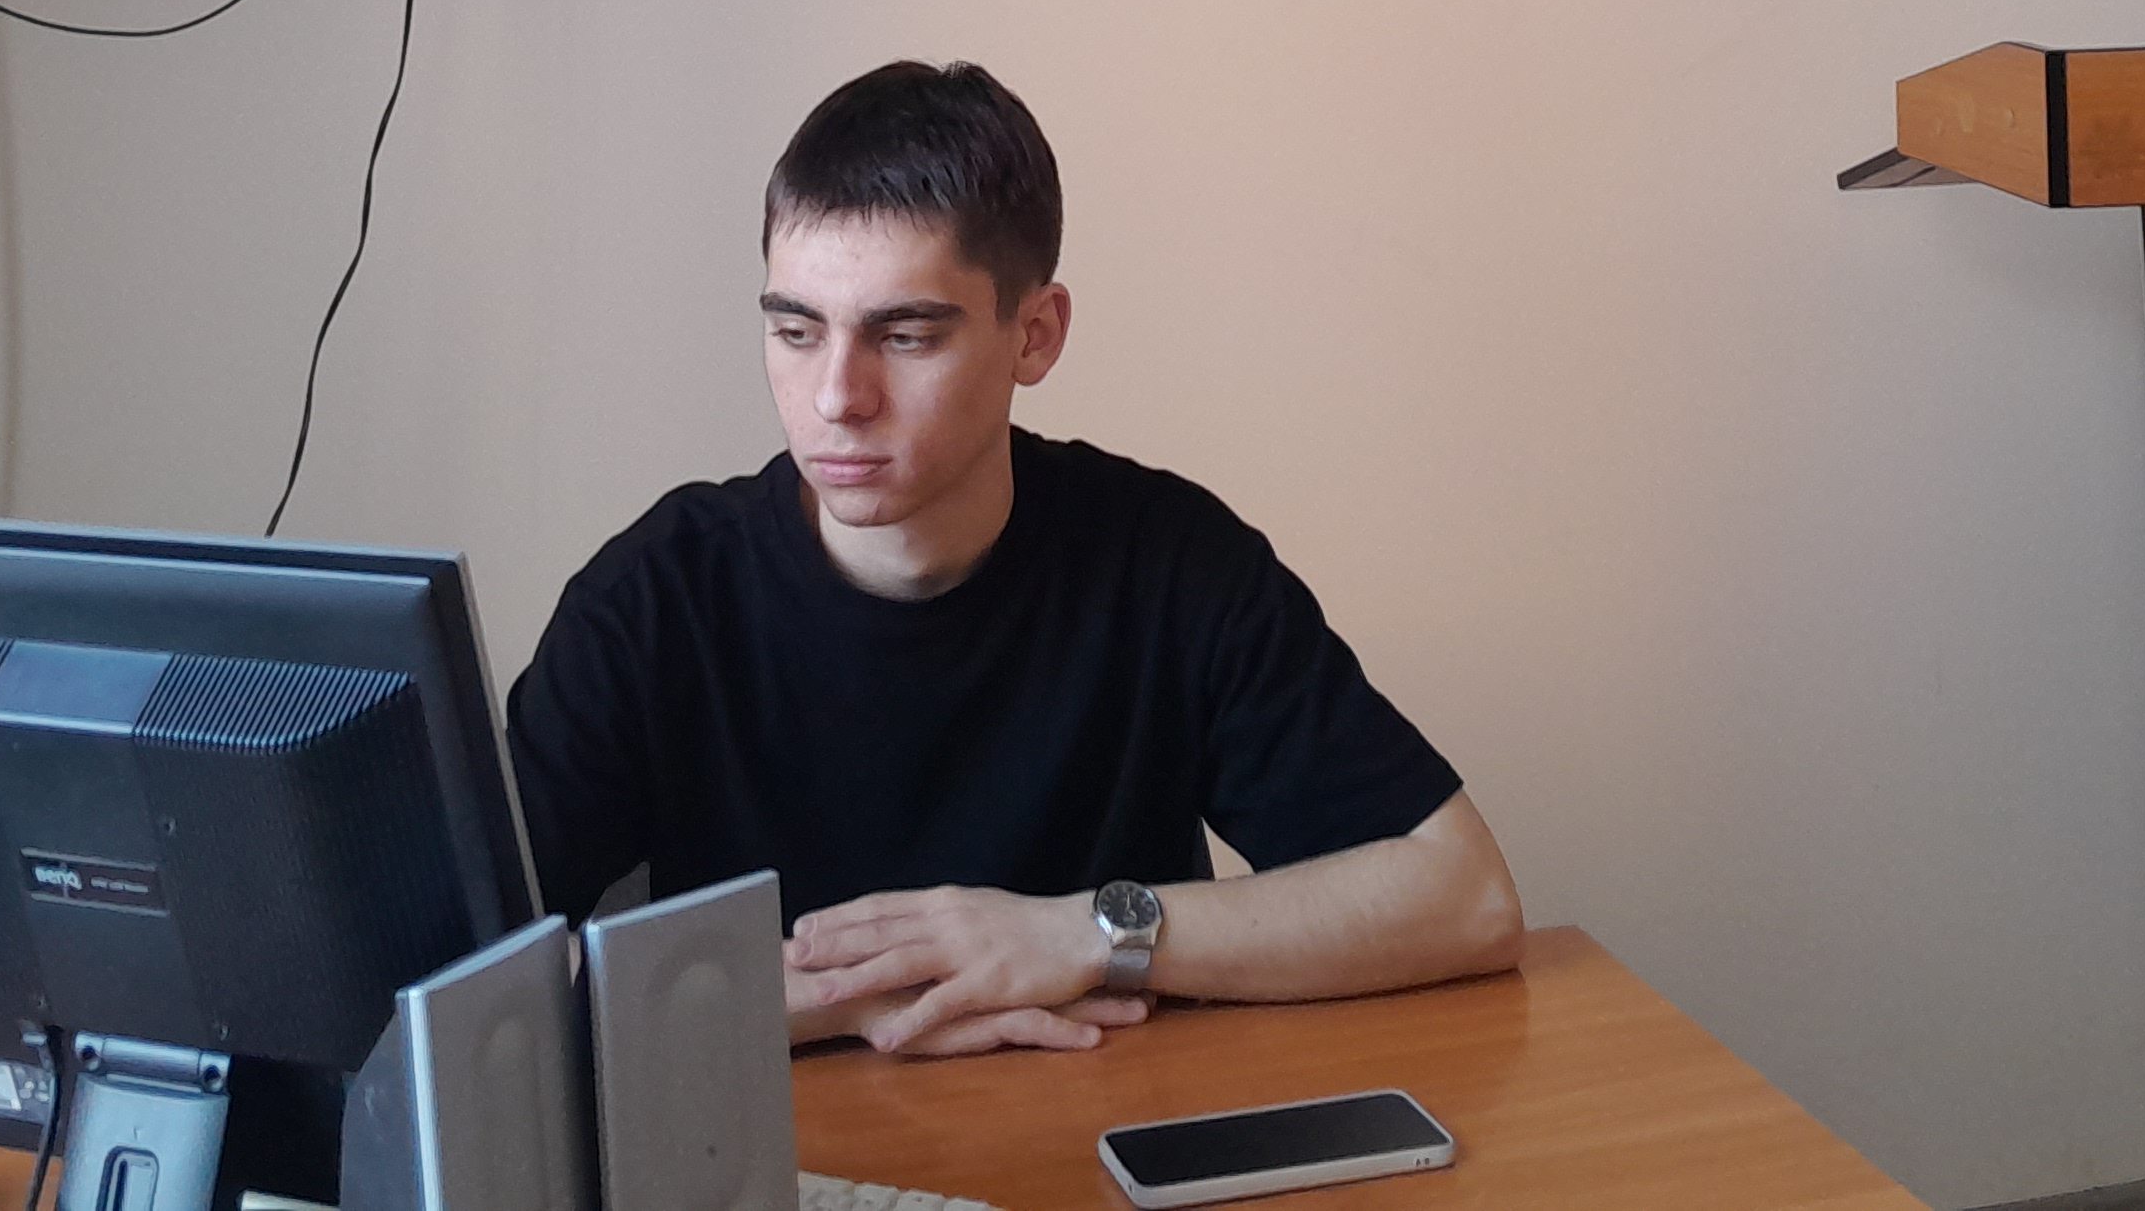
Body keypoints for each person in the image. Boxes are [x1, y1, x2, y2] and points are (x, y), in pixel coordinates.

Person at [504, 60, 1522, 1059]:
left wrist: (1079, 934)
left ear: (1034, 335)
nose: (837, 397)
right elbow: (461, 989)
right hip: (767, 1140)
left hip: (1097, 1121)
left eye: (905, 335)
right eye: (797, 331)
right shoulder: (651, 602)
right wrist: (822, 998)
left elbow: (1467, 897)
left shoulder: (1169, 563)